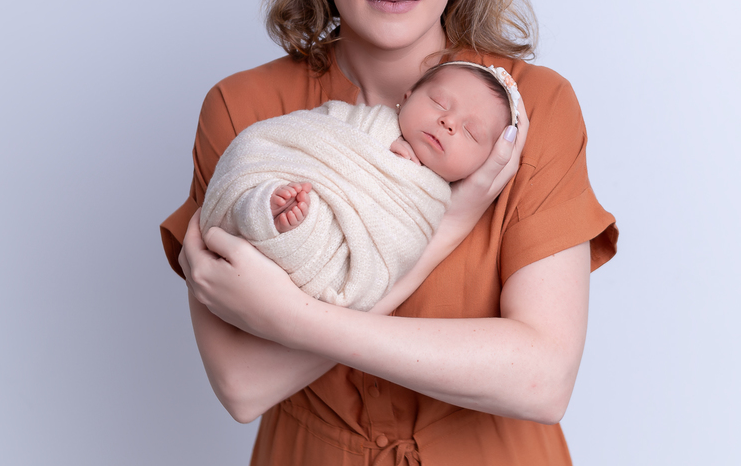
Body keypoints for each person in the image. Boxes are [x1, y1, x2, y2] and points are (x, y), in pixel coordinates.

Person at [158, 0, 618, 466]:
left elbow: (543, 377)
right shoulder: (243, 111)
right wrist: (446, 229)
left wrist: (291, 319)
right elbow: (244, 385)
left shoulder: (533, 110)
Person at [200, 62, 520, 311]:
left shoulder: (429, 202)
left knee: (317, 231)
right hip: (300, 176)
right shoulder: (364, 120)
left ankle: (283, 224)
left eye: (471, 132)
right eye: (439, 102)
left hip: (327, 247)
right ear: (406, 98)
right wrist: (381, 139)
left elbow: (392, 252)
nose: (448, 122)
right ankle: (264, 208)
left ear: (485, 163)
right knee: (288, 191)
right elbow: (304, 132)